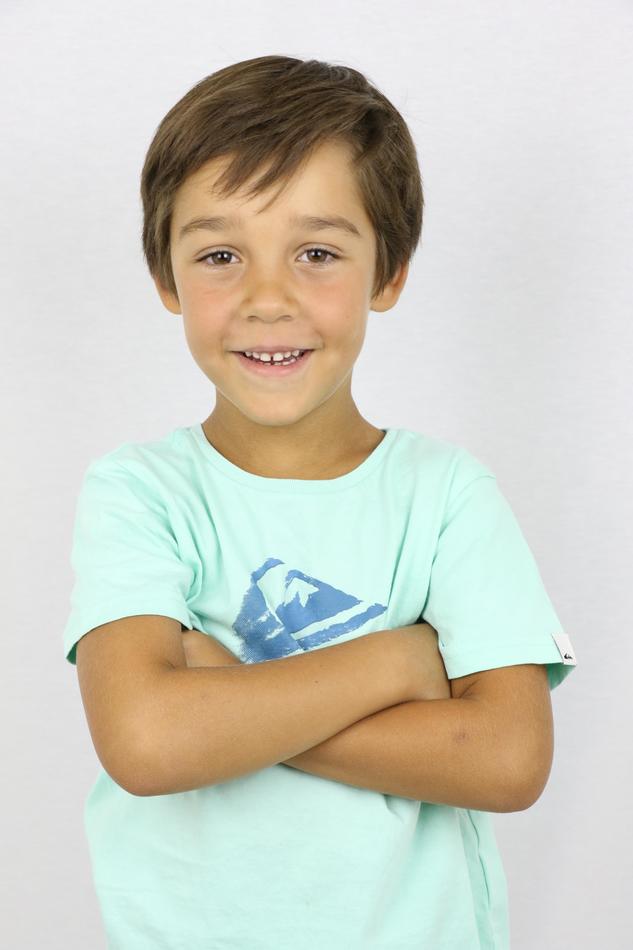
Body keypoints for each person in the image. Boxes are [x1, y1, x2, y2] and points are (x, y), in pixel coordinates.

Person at [63, 55, 578, 949]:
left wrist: (227, 700)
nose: (267, 299)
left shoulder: (445, 495)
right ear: (166, 277)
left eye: (316, 254)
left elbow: (505, 761)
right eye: (220, 255)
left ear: (388, 272)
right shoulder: (139, 492)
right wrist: (398, 664)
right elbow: (147, 744)